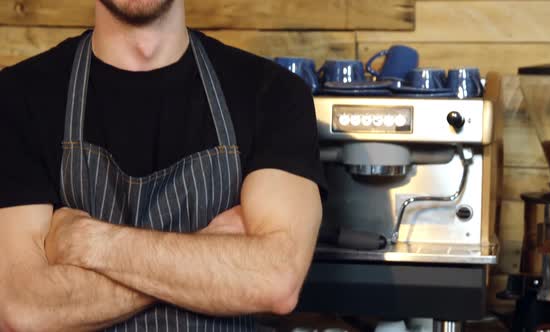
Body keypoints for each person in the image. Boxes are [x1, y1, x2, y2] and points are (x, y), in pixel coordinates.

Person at [0, 0, 326, 330]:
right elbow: (22, 309)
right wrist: (211, 259)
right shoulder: (17, 98)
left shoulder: (273, 95)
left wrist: (88, 241)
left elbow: (276, 280)